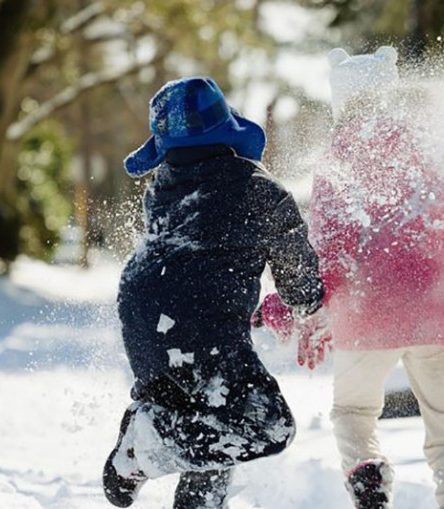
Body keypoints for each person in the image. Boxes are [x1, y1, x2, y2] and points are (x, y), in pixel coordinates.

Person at [257, 47, 444, 509]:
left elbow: (329, 253)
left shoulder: (338, 160)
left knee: (352, 412)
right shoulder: (433, 146)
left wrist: (281, 310)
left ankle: (366, 475)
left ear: (343, 100)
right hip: (441, 313)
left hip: (368, 316)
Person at [103, 77, 324, 508]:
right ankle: (140, 453)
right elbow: (300, 284)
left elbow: (192, 262)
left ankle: (153, 444)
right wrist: (309, 302)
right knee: (267, 426)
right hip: (204, 327)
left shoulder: (162, 186)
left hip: (142, 317)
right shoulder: (260, 189)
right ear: (227, 131)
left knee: (210, 427)